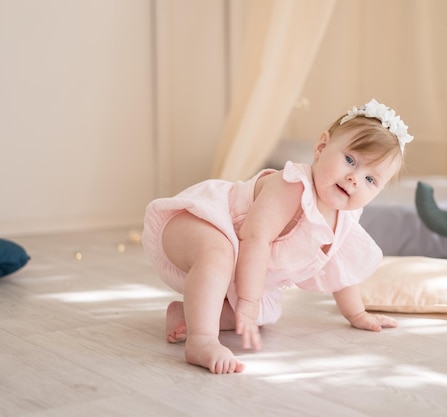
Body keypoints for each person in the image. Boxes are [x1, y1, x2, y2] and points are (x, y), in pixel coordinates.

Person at [142, 99, 413, 374]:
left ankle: (188, 314)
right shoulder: (293, 186)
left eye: (370, 179)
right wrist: (248, 301)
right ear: (321, 147)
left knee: (261, 315)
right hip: (199, 224)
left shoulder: (345, 218)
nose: (355, 178)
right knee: (221, 257)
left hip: (241, 264)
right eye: (350, 160)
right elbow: (255, 239)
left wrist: (356, 314)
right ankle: (202, 340)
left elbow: (339, 271)